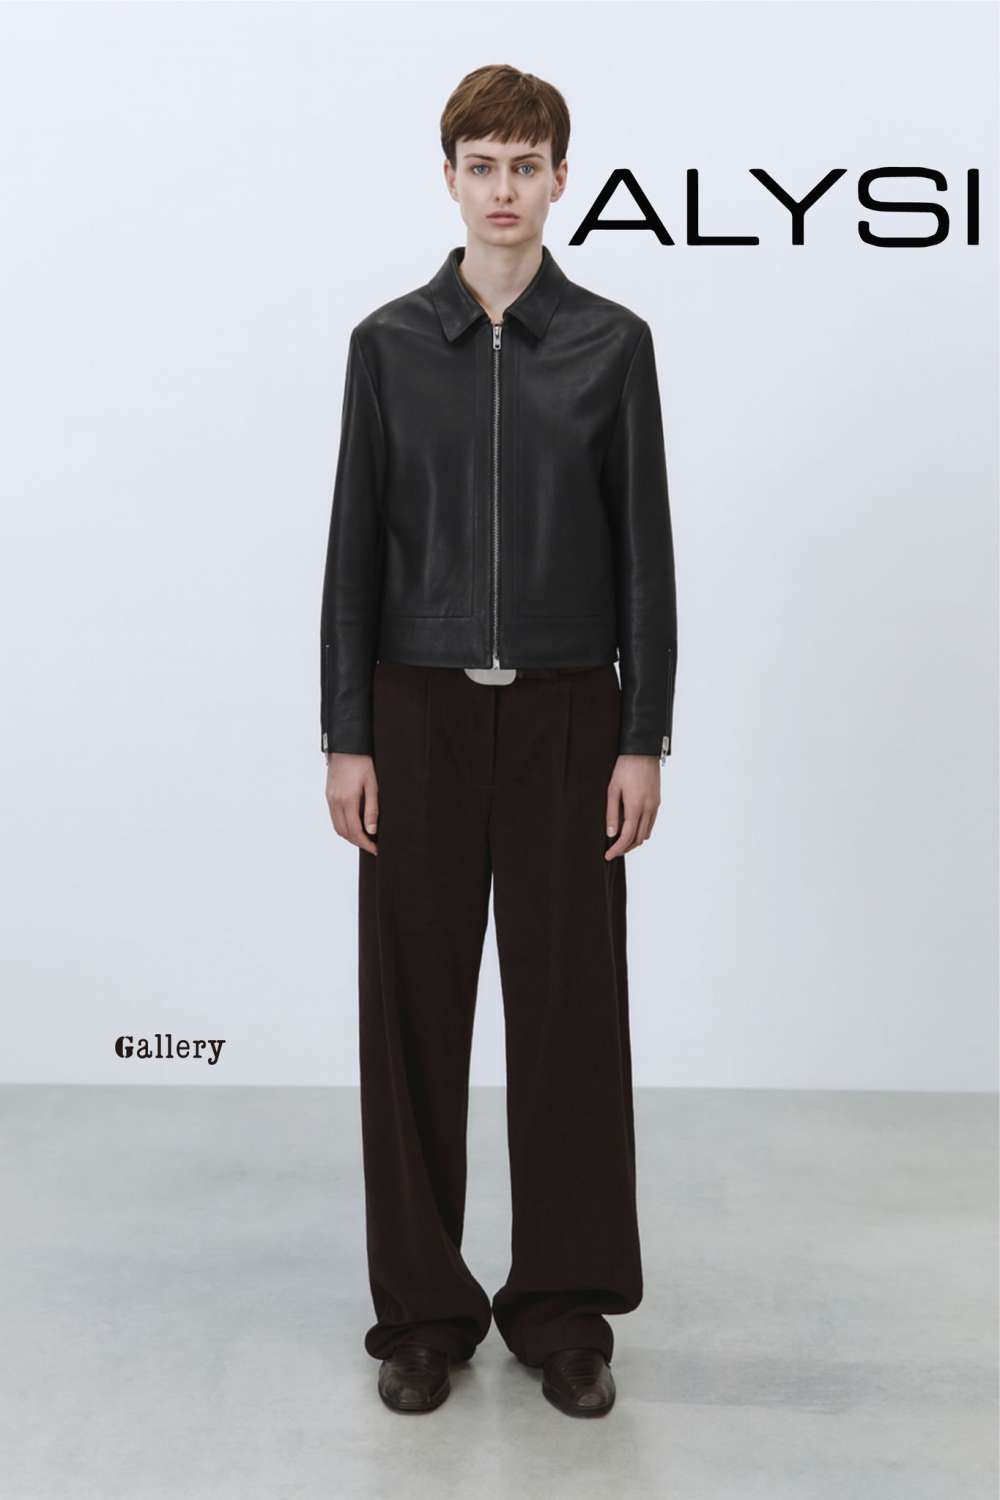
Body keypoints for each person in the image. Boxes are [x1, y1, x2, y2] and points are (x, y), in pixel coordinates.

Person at [319, 64, 678, 1419]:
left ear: (560, 179)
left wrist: (642, 733)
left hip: (569, 715)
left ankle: (564, 1308)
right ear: (451, 177)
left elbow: (645, 556)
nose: (506, 188)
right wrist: (346, 733)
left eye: (528, 165)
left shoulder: (611, 345)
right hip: (414, 712)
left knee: (570, 1011)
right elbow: (353, 553)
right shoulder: (388, 345)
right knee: (412, 1014)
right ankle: (421, 1312)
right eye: (484, 164)